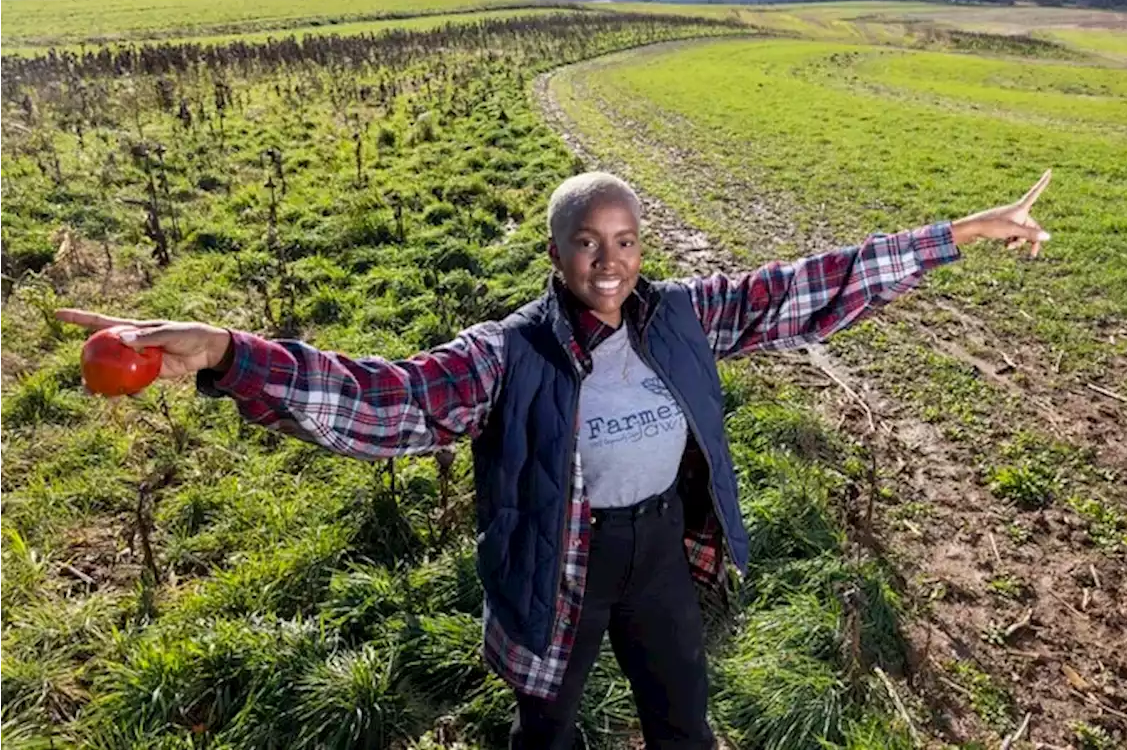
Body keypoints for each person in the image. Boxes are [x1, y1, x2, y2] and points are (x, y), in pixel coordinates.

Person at [56, 168, 1052, 750]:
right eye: (586, 242)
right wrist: (235, 356)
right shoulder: (507, 354)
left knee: (683, 719)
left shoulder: (681, 318)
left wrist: (955, 235)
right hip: (557, 567)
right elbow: (386, 402)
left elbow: (810, 285)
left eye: (623, 239)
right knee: (544, 725)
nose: (608, 260)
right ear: (556, 254)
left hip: (658, 550)